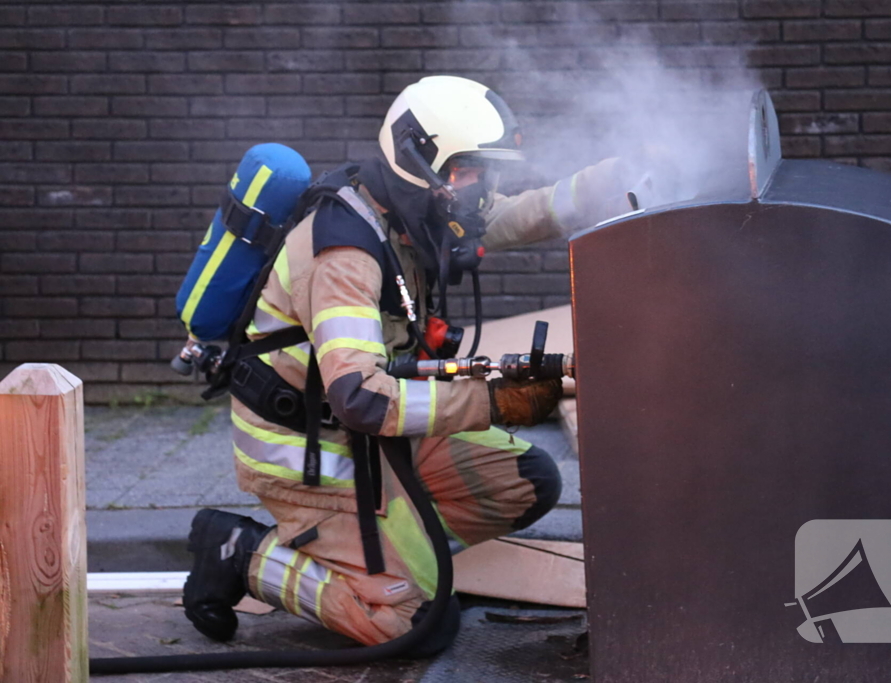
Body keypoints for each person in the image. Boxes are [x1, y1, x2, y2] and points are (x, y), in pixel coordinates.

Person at [182, 75, 632, 655]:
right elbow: (362, 398)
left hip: (371, 433)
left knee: (527, 483)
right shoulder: (343, 252)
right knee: (412, 623)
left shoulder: (414, 209)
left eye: (483, 173)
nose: (480, 189)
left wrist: (625, 174)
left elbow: (527, 212)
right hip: (309, 450)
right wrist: (495, 400)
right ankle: (241, 554)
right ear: (422, 158)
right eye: (469, 172)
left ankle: (394, 553)